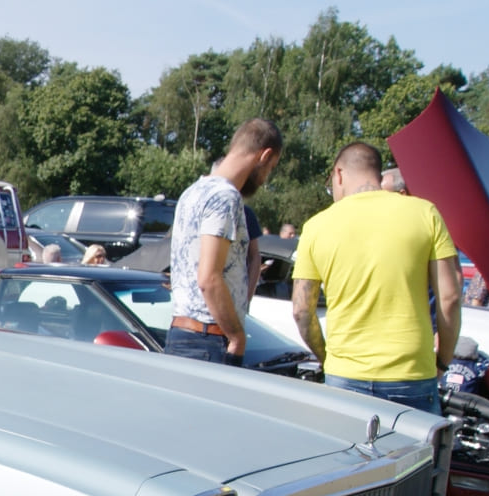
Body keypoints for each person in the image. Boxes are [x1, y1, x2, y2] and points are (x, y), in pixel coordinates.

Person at [292, 142, 461, 414]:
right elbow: (450, 297)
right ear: (378, 174)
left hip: (344, 375)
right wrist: (443, 361)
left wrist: (327, 359)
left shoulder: (316, 226)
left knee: (346, 457)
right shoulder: (424, 213)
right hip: (412, 374)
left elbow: (301, 311)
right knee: (414, 457)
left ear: (339, 174)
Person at [166, 119, 283, 364]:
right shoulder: (225, 196)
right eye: (270, 168)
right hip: (208, 338)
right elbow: (209, 278)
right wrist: (237, 336)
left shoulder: (193, 191)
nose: (265, 179)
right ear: (265, 155)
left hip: (184, 333)